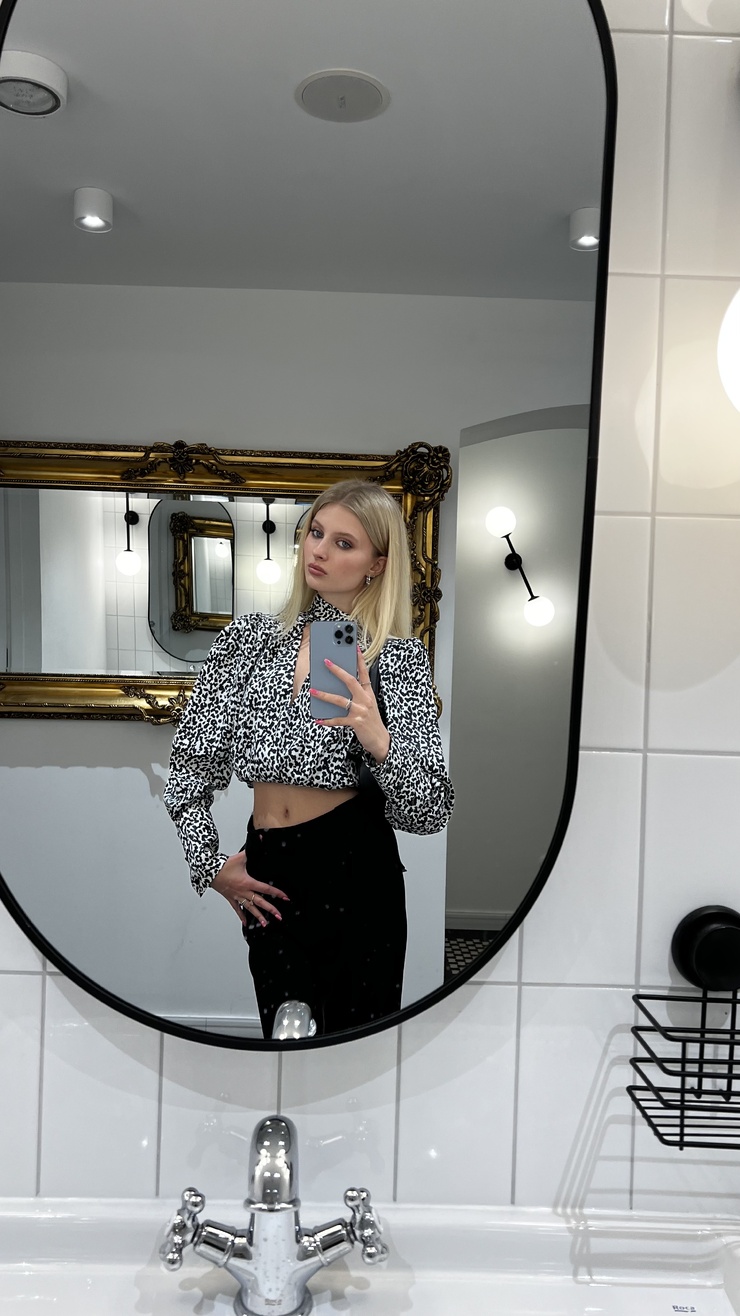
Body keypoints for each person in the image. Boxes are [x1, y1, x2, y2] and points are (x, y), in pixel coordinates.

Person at [163, 479, 454, 1037]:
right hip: (271, 867)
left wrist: (378, 739)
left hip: (356, 870)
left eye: (344, 543)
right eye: (316, 533)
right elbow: (190, 767)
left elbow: (429, 812)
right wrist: (210, 865)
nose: (318, 550)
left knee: (354, 1047)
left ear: (377, 564)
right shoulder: (248, 642)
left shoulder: (397, 660)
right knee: (284, 1036)